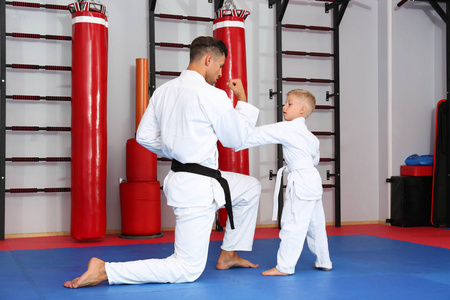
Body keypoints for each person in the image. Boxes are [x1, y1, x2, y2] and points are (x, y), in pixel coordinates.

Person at [63, 36, 261, 288]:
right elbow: (236, 139)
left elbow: (144, 136)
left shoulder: (164, 91)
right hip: (197, 189)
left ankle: (229, 253)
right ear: (209, 59)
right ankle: (106, 271)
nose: (221, 73)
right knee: (186, 269)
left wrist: (174, 147)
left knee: (250, 188)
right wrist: (242, 100)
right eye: (220, 66)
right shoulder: (212, 95)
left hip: (186, 179)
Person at [236, 89, 332, 276]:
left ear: (302, 109)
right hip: (312, 180)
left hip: (301, 181)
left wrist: (230, 134)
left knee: (293, 223)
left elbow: (254, 135)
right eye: (285, 103)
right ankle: (324, 261)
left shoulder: (287, 128)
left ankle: (285, 267)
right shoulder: (312, 137)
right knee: (316, 224)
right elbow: (315, 160)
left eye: (290, 103)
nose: (284, 106)